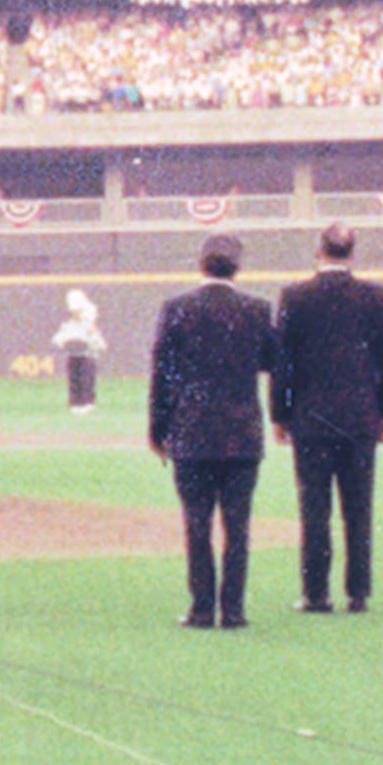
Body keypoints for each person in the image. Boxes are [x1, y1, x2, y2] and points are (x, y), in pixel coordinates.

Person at [149, 233, 276, 630]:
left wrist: (158, 428)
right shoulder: (257, 309)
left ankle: (202, 608)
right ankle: (234, 610)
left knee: (197, 523)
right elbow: (273, 364)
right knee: (238, 526)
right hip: (242, 432)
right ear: (238, 268)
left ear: (200, 263)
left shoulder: (176, 308)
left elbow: (162, 374)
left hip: (192, 430)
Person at [272, 223, 383, 616]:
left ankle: (316, 594)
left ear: (319, 252)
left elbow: (283, 364)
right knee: (359, 507)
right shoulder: (373, 296)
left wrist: (280, 413)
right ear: (351, 253)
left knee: (314, 507)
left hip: (311, 418)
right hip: (361, 418)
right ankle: (357, 593)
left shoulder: (295, 296)